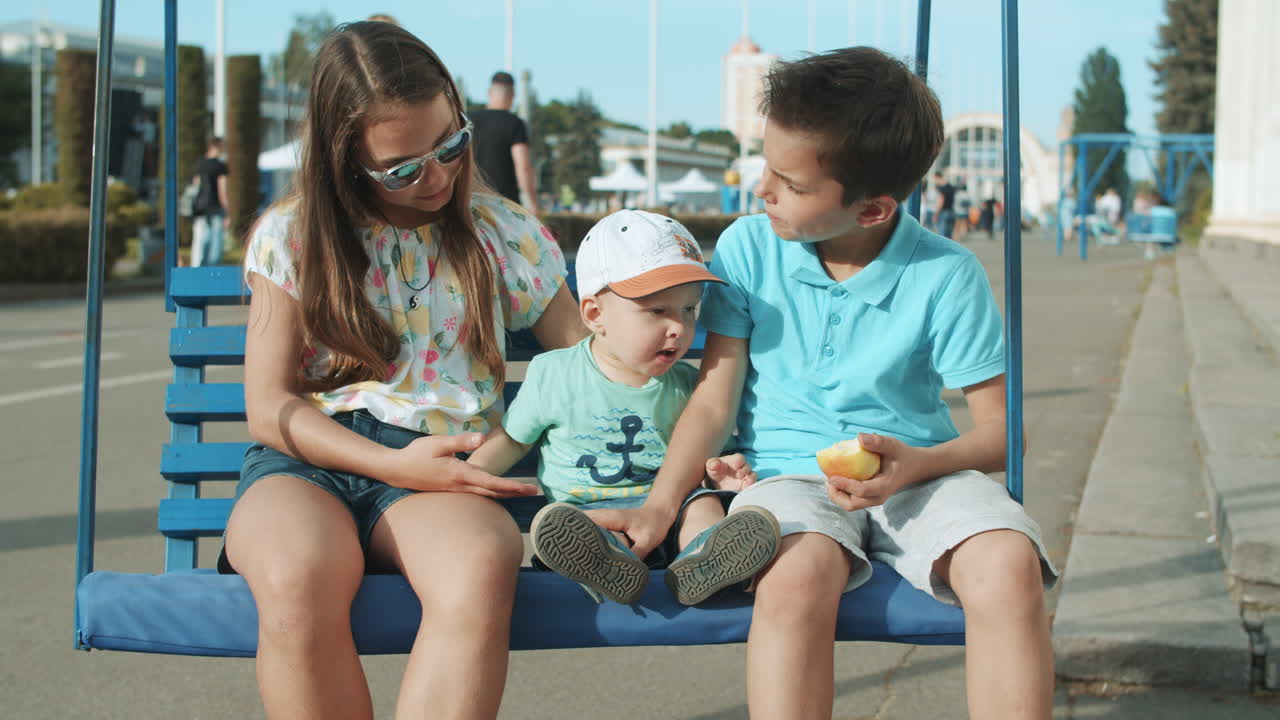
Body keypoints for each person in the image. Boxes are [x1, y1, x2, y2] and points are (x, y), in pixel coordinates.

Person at [587, 47, 1057, 719]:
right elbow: (714, 397)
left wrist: (921, 462)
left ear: (871, 210)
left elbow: (1005, 431)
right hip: (784, 473)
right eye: (767, 168)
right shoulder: (749, 250)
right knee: (794, 575)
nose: (764, 190)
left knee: (1010, 566)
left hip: (920, 473)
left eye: (791, 184)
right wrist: (662, 507)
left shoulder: (945, 275)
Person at [219, 21, 583, 720]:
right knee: (296, 578)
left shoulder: (500, 233)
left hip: (446, 461)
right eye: (405, 168)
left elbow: (586, 367)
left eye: (451, 145)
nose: (439, 177)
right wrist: (393, 467)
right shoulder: (295, 237)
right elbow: (269, 408)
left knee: (479, 567)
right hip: (308, 460)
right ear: (343, 159)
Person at [467, 209, 781, 606]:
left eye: (689, 310)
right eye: (657, 311)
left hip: (668, 510)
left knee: (701, 507)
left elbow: (705, 458)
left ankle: (705, 562)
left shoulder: (686, 386)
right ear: (595, 314)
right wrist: (469, 479)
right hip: (589, 511)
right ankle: (610, 565)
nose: (679, 328)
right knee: (581, 530)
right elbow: (512, 440)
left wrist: (724, 478)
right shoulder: (556, 374)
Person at [470, 71, 540, 215]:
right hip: (505, 205)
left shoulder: (469, 121)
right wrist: (533, 203)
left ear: (489, 92)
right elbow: (523, 167)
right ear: (513, 95)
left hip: (471, 200)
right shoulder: (515, 124)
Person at [190, 136, 229, 267]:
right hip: (216, 206)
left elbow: (195, 184)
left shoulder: (200, 163)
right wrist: (227, 212)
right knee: (216, 241)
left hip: (201, 207)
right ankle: (213, 269)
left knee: (202, 239)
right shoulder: (220, 166)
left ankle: (199, 267)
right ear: (217, 147)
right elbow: (222, 189)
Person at [932, 171, 956, 239]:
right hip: (951, 212)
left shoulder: (941, 189)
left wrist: (936, 214)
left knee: (942, 236)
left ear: (937, 177)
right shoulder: (951, 187)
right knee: (949, 237)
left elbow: (941, 201)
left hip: (943, 213)